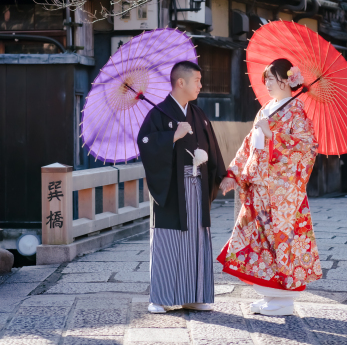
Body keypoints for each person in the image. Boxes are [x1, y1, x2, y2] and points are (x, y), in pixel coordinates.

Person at [218, 58, 322, 316]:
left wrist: (274, 135)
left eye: (271, 80)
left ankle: (283, 301)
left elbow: (307, 148)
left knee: (279, 242)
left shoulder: (296, 110)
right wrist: (233, 171)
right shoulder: (267, 107)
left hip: (282, 194)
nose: (267, 84)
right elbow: (249, 144)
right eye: (265, 79)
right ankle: (269, 297)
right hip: (259, 189)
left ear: (287, 81)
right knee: (256, 242)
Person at [137, 60, 227, 314]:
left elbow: (214, 147)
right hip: (171, 188)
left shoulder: (198, 114)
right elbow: (145, 143)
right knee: (169, 240)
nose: (201, 85)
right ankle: (162, 298)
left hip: (197, 186)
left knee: (196, 239)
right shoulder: (158, 114)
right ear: (181, 82)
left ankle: (195, 295)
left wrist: (222, 174)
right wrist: (171, 136)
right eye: (197, 80)